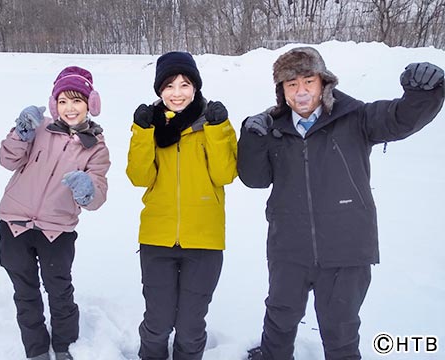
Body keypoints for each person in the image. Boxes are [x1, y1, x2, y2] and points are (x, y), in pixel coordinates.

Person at [238, 47, 444, 360]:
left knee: (340, 328)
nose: (302, 91)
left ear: (324, 83)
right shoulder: (274, 128)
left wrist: (424, 93)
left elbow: (401, 119)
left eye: (308, 81)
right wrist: (252, 140)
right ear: (282, 91)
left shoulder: (356, 118)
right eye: (291, 84)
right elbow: (255, 179)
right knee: (280, 316)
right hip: (289, 246)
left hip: (346, 248)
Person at [126, 51, 238, 360]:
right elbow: (139, 176)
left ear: (196, 87)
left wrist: (218, 130)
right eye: (169, 86)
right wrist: (142, 133)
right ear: (159, 90)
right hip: (156, 239)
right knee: (157, 323)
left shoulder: (212, 121)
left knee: (190, 327)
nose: (177, 93)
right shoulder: (152, 124)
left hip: (204, 241)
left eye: (185, 84)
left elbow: (224, 173)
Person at [0, 66, 110, 360]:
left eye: (76, 101)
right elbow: (6, 160)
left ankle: (65, 347)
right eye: (62, 101)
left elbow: (97, 195)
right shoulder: (39, 128)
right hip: (15, 225)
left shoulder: (96, 147)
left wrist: (87, 189)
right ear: (54, 104)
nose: (69, 108)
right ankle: (35, 349)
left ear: (90, 104)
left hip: (57, 231)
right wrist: (20, 134)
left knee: (59, 293)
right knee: (25, 293)